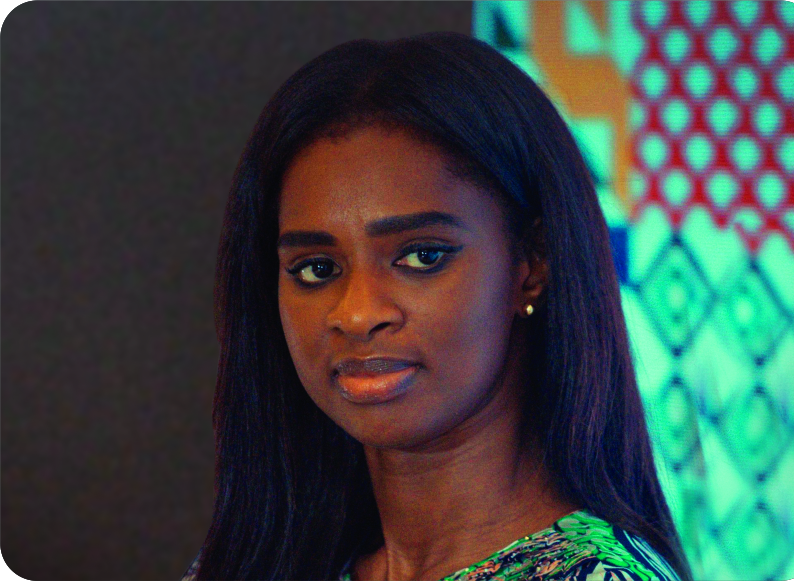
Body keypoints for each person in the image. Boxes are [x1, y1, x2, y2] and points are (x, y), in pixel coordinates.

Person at [183, 31, 693, 581]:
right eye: (317, 269)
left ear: (533, 264)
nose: (356, 314)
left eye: (422, 256)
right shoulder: (250, 566)